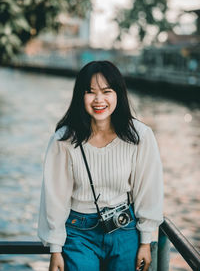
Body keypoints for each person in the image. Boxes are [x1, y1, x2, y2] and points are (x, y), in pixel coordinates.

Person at [37, 60, 164, 271]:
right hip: (79, 233)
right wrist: (55, 249)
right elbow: (54, 197)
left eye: (106, 91)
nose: (99, 100)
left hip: (125, 229)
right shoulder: (64, 139)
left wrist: (145, 240)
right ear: (81, 96)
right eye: (90, 92)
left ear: (118, 95)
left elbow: (148, 189)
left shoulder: (139, 136)